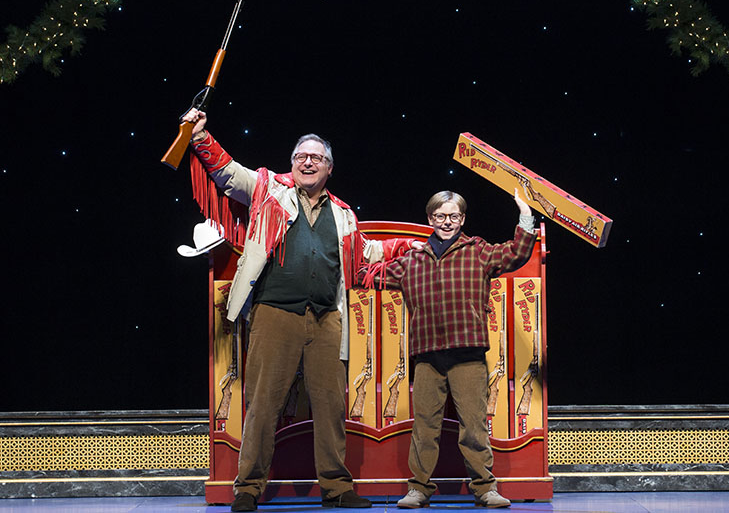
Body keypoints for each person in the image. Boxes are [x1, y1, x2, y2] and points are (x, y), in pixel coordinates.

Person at [182, 108, 417, 512]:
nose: (308, 162)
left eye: (317, 158)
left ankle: (337, 487)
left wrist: (414, 248)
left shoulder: (343, 214)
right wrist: (200, 135)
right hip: (275, 314)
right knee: (263, 403)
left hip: (327, 319)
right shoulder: (268, 189)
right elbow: (226, 172)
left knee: (330, 404)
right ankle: (249, 488)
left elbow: (366, 255)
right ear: (292, 163)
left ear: (329, 168)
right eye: (301, 157)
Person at [361, 190, 535, 509]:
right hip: (428, 355)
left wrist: (525, 214)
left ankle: (484, 488)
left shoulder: (477, 251)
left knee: (474, 425)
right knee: (425, 426)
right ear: (430, 219)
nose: (447, 222)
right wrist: (391, 247)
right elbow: (365, 275)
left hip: (467, 353)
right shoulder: (412, 259)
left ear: (463, 219)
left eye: (454, 216)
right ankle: (419, 488)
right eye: (440, 216)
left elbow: (517, 253)